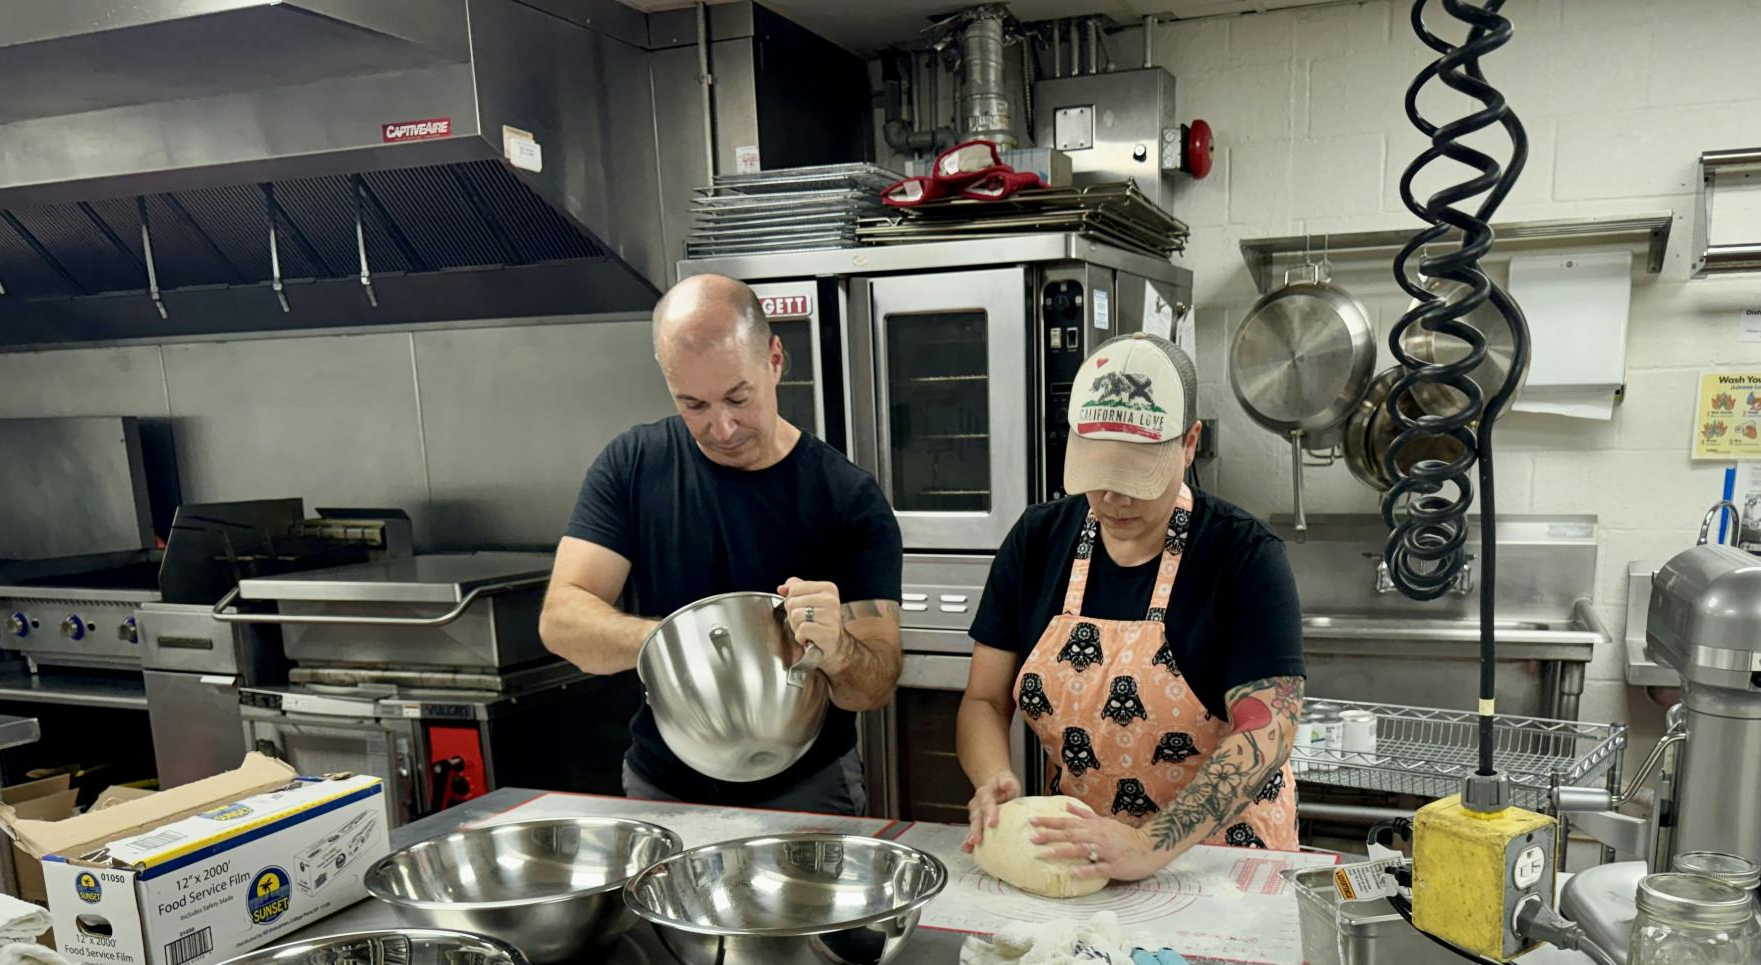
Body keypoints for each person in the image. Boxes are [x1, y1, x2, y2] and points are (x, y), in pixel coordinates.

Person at [540, 273, 902, 813]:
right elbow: (562, 620)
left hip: (809, 788)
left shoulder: (847, 498)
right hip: (661, 786)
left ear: (775, 359)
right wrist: (681, 645)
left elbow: (875, 686)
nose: (723, 427)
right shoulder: (633, 466)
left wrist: (841, 649)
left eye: (738, 397)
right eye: (695, 405)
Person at [957, 331, 1304, 880]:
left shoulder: (1243, 555)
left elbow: (1267, 732)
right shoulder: (1037, 542)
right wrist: (992, 776)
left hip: (1217, 862)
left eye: (1134, 475)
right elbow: (984, 699)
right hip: (1080, 858)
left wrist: (1149, 844)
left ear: (1189, 443)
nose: (1112, 498)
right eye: (1097, 473)